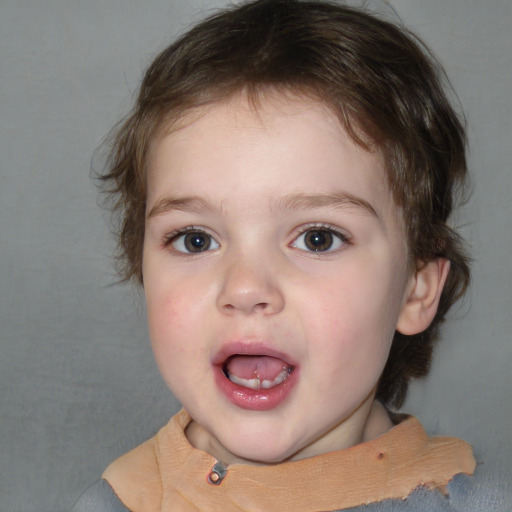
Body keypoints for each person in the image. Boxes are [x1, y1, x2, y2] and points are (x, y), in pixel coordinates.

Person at [73, 0, 479, 510]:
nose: (245, 287)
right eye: (196, 240)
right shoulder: (120, 500)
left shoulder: (471, 497)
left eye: (317, 239)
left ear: (416, 288)